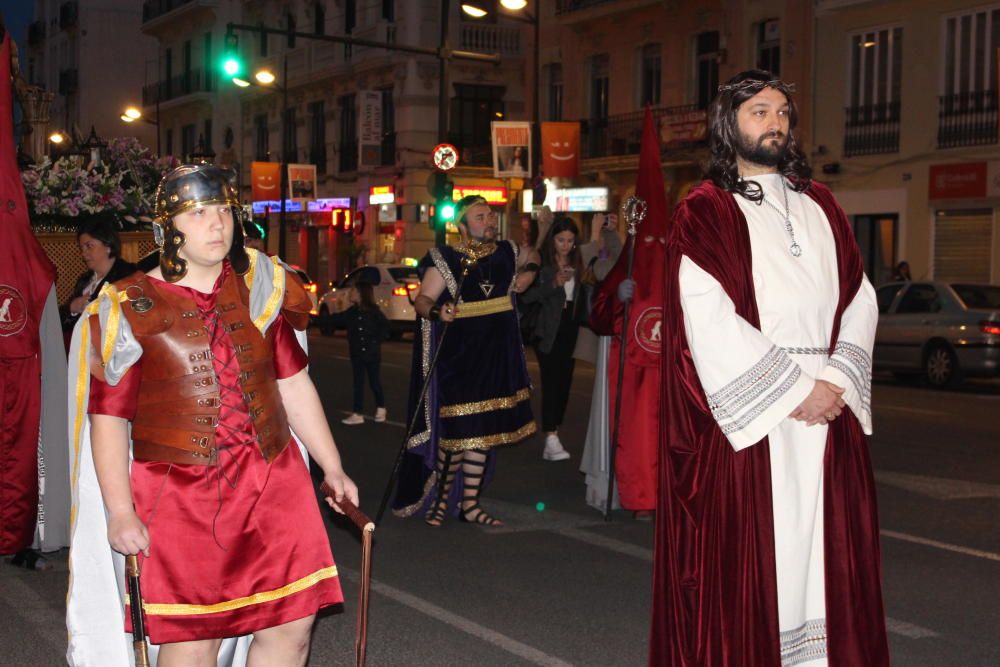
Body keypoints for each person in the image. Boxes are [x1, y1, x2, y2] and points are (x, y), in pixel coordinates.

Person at [66, 164, 358, 665]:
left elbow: (292, 383)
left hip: (275, 481)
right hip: (179, 495)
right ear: (167, 229)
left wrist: (332, 467)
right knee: (193, 642)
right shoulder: (126, 306)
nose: (216, 224)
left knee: (293, 626)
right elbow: (109, 419)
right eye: (198, 213)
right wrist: (119, 511)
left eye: (222, 210)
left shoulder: (261, 288)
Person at [650, 70, 888, 666]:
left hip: (827, 410)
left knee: (823, 559)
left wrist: (835, 381)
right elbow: (706, 316)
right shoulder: (705, 211)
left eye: (782, 112)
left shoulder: (823, 204)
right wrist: (795, 391)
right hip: (758, 421)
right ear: (728, 125)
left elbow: (859, 294)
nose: (775, 123)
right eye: (759, 112)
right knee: (761, 562)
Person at [392, 195, 535, 527]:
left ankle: (470, 504)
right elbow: (423, 300)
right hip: (461, 356)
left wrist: (529, 272)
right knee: (457, 431)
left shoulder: (507, 251)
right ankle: (442, 500)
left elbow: (533, 255)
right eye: (480, 216)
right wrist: (438, 310)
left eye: (490, 215)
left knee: (482, 432)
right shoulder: (446, 258)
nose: (489, 221)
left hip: (498, 355)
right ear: (462, 225)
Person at [521, 217, 583, 462]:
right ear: (552, 240)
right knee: (551, 381)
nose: (565, 245)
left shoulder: (579, 262)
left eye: (570, 240)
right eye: (560, 240)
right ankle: (551, 434)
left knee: (565, 382)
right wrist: (554, 284)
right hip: (547, 328)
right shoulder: (542, 264)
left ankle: (553, 429)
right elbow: (527, 296)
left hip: (571, 327)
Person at [59, 218, 136, 336]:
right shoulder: (84, 280)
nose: (83, 253)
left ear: (108, 246)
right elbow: (61, 323)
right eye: (82, 248)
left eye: (89, 246)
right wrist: (72, 308)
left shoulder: (127, 275)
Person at [333, 282, 390, 425]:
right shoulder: (351, 312)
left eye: (353, 291)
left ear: (360, 294)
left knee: (374, 381)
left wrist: (375, 341)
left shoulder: (373, 312)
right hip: (357, 353)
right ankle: (357, 413)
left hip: (372, 353)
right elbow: (334, 319)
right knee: (358, 383)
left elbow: (385, 328)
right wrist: (310, 319)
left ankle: (381, 408)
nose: (350, 294)